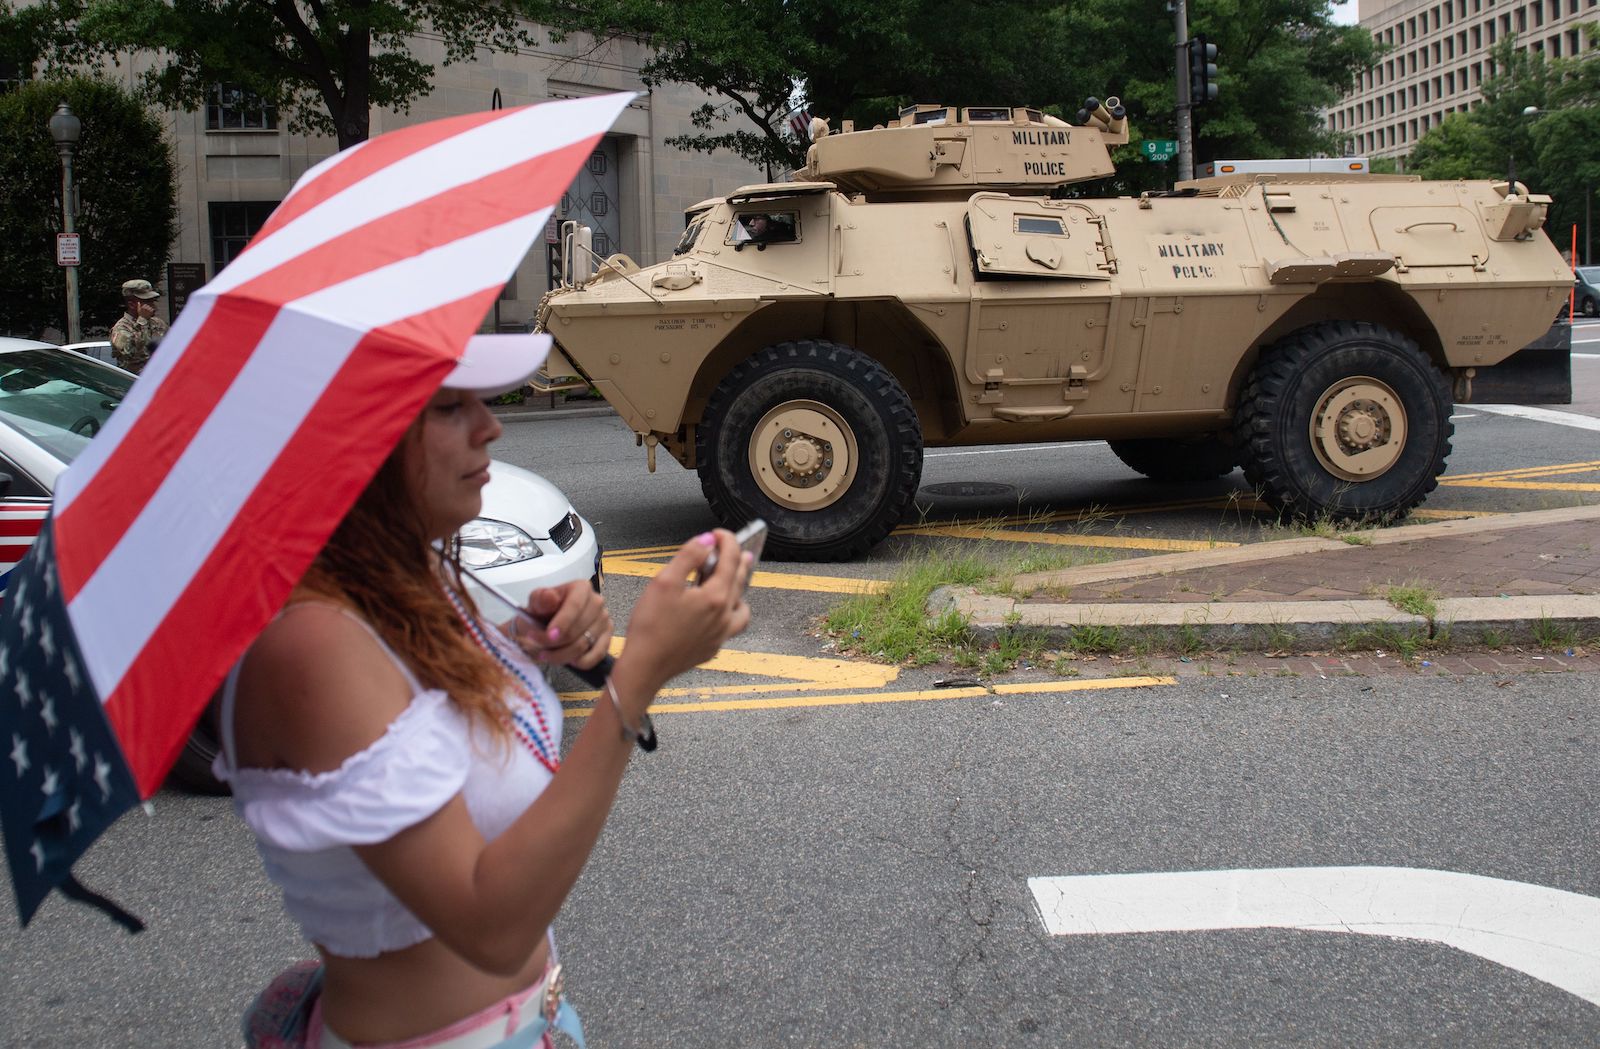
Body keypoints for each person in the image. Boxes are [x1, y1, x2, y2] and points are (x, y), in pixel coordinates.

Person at [217, 335, 752, 1049]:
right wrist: (638, 676)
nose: (490, 425)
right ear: (354, 441)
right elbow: (491, 926)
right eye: (448, 406)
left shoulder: (414, 577)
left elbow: (439, 719)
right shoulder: (310, 644)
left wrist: (548, 643)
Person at [108, 279, 168, 373]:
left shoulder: (158, 324)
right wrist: (142, 322)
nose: (153, 306)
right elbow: (130, 352)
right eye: (147, 302)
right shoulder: (121, 328)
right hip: (133, 382)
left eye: (152, 301)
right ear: (132, 304)